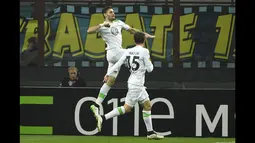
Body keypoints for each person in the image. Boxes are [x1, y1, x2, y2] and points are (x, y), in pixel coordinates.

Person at [91, 32, 164, 140]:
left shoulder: (129, 51)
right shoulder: (145, 51)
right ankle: (103, 118)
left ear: (134, 41)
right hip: (137, 84)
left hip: (133, 81)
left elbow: (118, 63)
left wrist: (108, 74)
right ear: (144, 41)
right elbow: (150, 69)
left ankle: (150, 132)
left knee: (147, 105)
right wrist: (149, 61)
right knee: (127, 108)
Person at [87, 6, 155, 115]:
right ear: (105, 14)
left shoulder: (118, 22)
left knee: (110, 81)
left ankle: (96, 105)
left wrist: (143, 34)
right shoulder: (102, 26)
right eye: (110, 12)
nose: (113, 14)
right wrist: (101, 25)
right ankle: (139, 85)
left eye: (113, 12)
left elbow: (131, 30)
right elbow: (89, 31)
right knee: (136, 54)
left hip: (113, 56)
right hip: (114, 52)